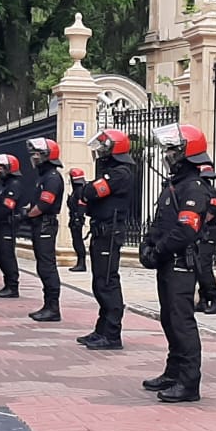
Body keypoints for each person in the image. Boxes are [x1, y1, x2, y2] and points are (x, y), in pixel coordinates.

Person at [140, 123, 216, 403]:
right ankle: (173, 372)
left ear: (188, 152)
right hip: (166, 260)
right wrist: (147, 244)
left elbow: (186, 230)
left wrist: (158, 250)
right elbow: (162, 221)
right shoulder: (175, 184)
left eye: (174, 149)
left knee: (181, 321)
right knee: (168, 318)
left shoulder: (195, 187)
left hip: (180, 263)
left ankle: (188, 382)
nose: (169, 154)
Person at [71, 129, 136, 350]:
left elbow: (90, 193)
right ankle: (101, 329)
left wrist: (85, 188)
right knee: (99, 282)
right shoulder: (112, 171)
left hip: (109, 232)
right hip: (101, 231)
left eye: (104, 148)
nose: (100, 152)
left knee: (107, 282)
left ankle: (112, 334)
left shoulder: (120, 173)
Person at [25, 139, 66, 322]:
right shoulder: (43, 176)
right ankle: (48, 305)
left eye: (38, 154)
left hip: (45, 225)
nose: (34, 157)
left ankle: (53, 307)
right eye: (33, 154)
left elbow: (43, 204)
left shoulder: (52, 177)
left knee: (47, 266)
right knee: (42, 265)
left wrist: (27, 214)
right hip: (40, 224)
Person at [0, 153, 25, 299]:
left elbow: (7, 206)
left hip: (8, 224)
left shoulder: (14, 185)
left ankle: (12, 286)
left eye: (2, 167)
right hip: (2, 223)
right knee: (1, 255)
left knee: (7, 255)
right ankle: (8, 284)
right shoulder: (6, 185)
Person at [194, 159, 216, 314]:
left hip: (208, 234)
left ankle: (215, 298)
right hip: (200, 234)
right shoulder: (200, 191)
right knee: (198, 268)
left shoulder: (211, 193)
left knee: (204, 268)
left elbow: (209, 215)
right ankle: (203, 299)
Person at [67, 168, 90, 273]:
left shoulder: (79, 190)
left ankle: (81, 263)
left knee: (78, 241)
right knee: (76, 240)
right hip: (74, 217)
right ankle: (80, 262)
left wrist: (77, 218)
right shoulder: (76, 190)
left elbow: (81, 205)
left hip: (77, 219)